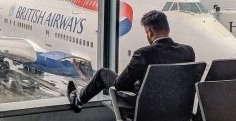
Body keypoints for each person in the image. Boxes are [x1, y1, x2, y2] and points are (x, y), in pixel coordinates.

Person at [67, 9, 195, 112]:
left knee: (102, 74)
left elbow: (120, 85)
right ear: (168, 29)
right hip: (176, 109)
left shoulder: (143, 54)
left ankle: (78, 101)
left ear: (149, 32)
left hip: (145, 109)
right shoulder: (188, 51)